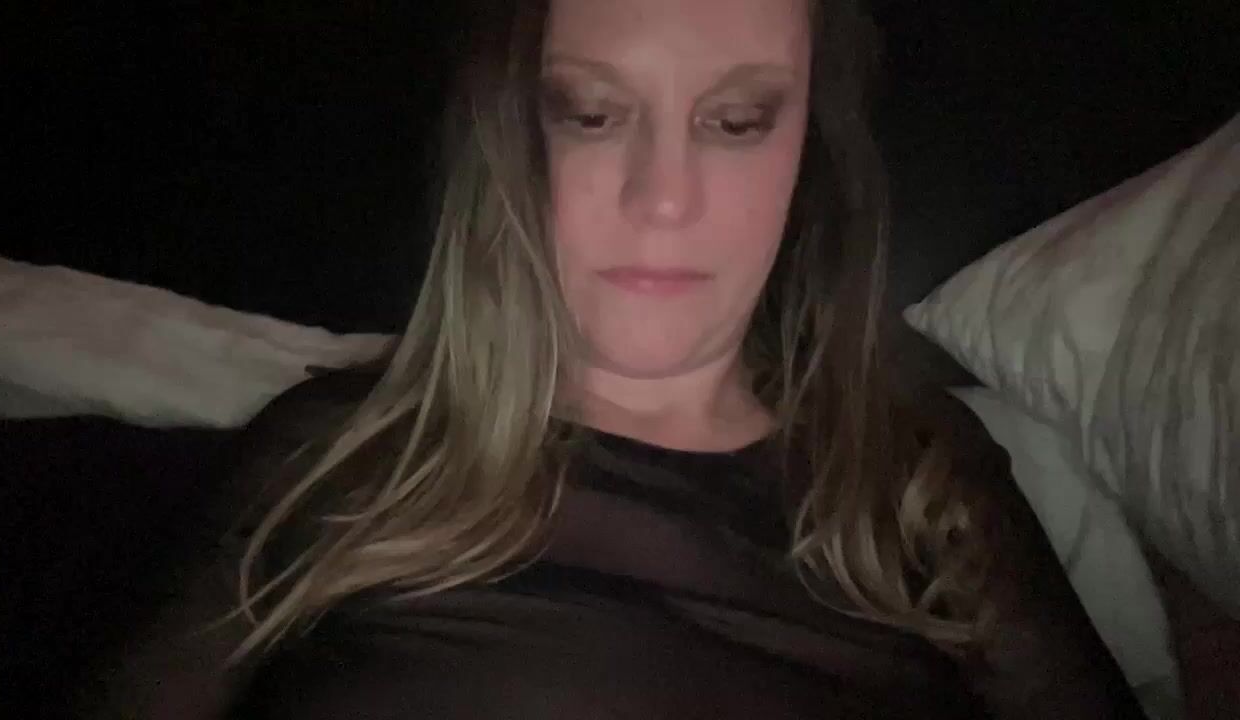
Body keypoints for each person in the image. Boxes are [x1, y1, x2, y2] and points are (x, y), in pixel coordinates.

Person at [90, 0, 1147, 718]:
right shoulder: (339, 459)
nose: (664, 198)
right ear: (513, 140)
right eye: (592, 115)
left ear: (808, 150)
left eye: (735, 120)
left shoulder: (917, 484)